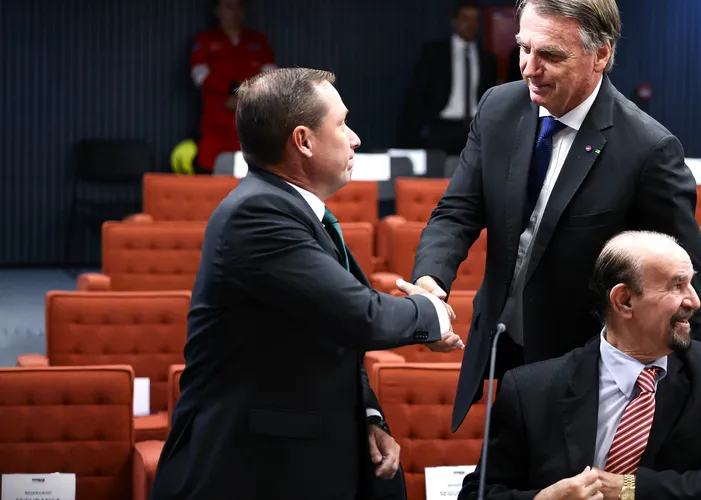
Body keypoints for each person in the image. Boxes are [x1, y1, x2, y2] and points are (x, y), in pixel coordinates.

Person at [149, 68, 464, 500]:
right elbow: (359, 315)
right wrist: (431, 312)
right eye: (342, 124)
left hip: (299, 455)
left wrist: (368, 415)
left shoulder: (289, 210)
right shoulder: (257, 215)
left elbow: (329, 333)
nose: (355, 139)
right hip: (249, 471)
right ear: (304, 141)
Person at [407, 0, 701, 433]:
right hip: (498, 349)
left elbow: (685, 288)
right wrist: (430, 279)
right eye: (523, 48)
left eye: (549, 54)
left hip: (585, 372)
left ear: (600, 54)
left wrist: (689, 401)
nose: (529, 68)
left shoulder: (649, 149)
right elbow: (458, 210)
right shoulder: (498, 107)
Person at [459, 231, 701, 500]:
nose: (696, 301)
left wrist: (630, 489)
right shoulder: (531, 389)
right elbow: (479, 493)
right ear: (624, 301)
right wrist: (543, 499)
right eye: (677, 286)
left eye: (691, 283)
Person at [398, 0, 499, 153]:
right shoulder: (434, 53)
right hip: (441, 129)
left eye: (475, 20)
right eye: (465, 19)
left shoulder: (488, 59)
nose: (471, 24)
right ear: (454, 21)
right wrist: (424, 128)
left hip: (475, 129)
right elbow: (417, 93)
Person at [190, 0, 276, 174]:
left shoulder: (257, 41)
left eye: (239, 6)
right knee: (210, 177)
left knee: (255, 177)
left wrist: (245, 96)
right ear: (218, 10)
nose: (234, 12)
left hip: (251, 126)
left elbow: (272, 77)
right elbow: (199, 75)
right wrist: (228, 87)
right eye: (229, 7)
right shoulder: (206, 40)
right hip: (217, 128)